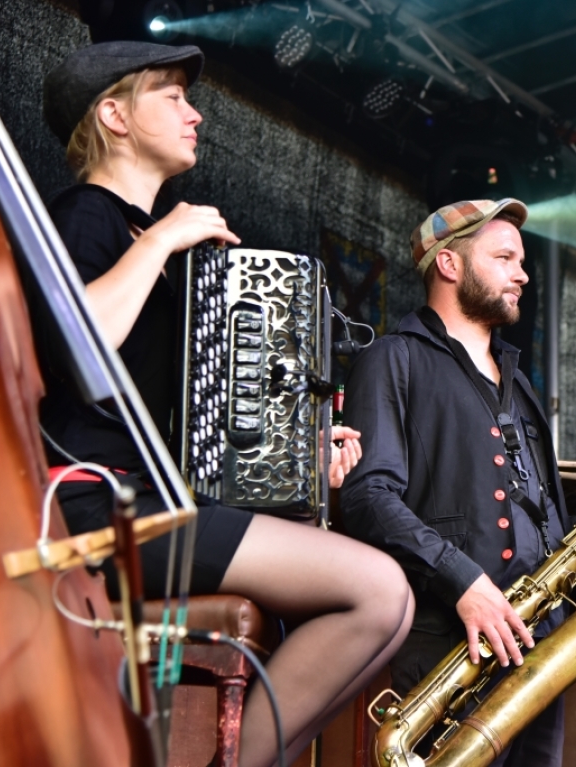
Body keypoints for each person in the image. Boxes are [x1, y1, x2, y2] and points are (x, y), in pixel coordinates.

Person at [38, 41, 413, 766]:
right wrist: (165, 239)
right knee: (377, 590)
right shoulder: (86, 215)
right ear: (113, 115)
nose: (197, 114)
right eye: (172, 97)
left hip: (161, 503)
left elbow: (189, 430)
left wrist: (301, 457)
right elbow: (78, 347)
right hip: (100, 511)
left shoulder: (155, 246)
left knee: (385, 607)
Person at [339, 199, 576, 766]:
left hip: (538, 641)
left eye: (522, 260)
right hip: (450, 643)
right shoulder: (394, 359)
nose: (522, 273)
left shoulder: (518, 378)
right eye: (504, 257)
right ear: (449, 265)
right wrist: (462, 580)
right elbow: (366, 496)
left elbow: (541, 504)